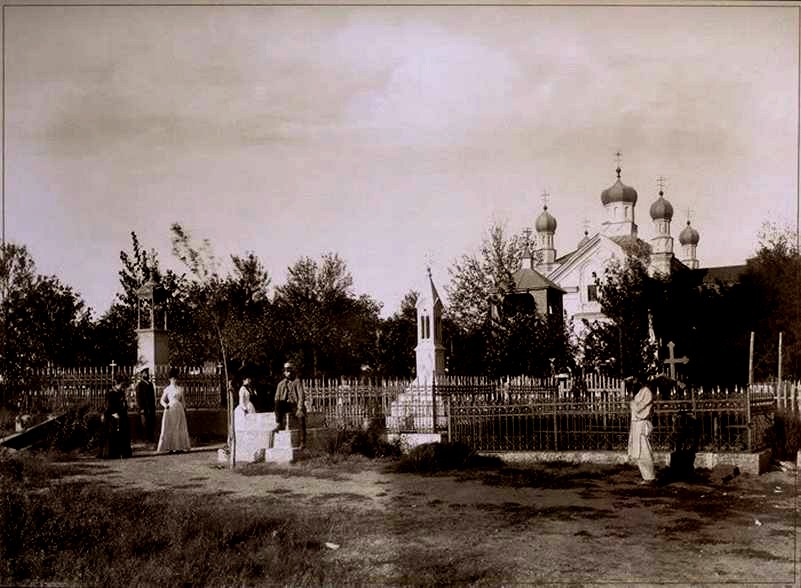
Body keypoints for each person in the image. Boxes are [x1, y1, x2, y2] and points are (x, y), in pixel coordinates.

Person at [627, 376, 656, 484]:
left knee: (644, 451)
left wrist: (632, 404)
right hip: (635, 425)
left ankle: (650, 477)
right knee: (638, 452)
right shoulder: (638, 392)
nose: (633, 382)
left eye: (634, 380)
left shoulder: (646, 392)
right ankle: (646, 476)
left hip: (642, 424)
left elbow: (640, 409)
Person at [157, 367, 191, 454]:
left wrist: (184, 408)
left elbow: (183, 401)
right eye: (172, 379)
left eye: (175, 379)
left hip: (179, 410)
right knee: (171, 427)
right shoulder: (167, 389)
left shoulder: (180, 389)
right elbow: (161, 400)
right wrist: (165, 405)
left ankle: (179, 446)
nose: (174, 380)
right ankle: (170, 447)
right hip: (170, 409)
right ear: (170, 379)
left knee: (179, 426)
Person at [98, 373, 132, 459]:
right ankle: (112, 453)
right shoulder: (111, 393)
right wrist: (113, 413)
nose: (123, 387)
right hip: (112, 417)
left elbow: (123, 404)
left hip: (122, 415)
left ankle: (124, 452)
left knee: (124, 433)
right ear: (118, 384)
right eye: (122, 385)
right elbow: (108, 406)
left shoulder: (121, 393)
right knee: (112, 435)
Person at [274, 361, 306, 449]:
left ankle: (302, 442)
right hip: (285, 404)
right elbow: (277, 397)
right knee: (277, 402)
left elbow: (301, 396)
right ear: (284, 372)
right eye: (286, 370)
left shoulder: (297, 381)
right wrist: (279, 401)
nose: (288, 372)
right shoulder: (280, 384)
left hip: (294, 404)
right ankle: (279, 423)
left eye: (289, 370)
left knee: (301, 418)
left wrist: (299, 408)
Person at [135, 367, 157, 443]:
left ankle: (151, 438)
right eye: (145, 373)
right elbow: (138, 398)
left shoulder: (150, 384)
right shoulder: (139, 385)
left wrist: (154, 406)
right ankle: (145, 439)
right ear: (142, 374)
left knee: (151, 423)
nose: (147, 374)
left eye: (147, 373)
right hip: (144, 408)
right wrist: (141, 408)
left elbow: (152, 397)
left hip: (150, 408)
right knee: (144, 424)